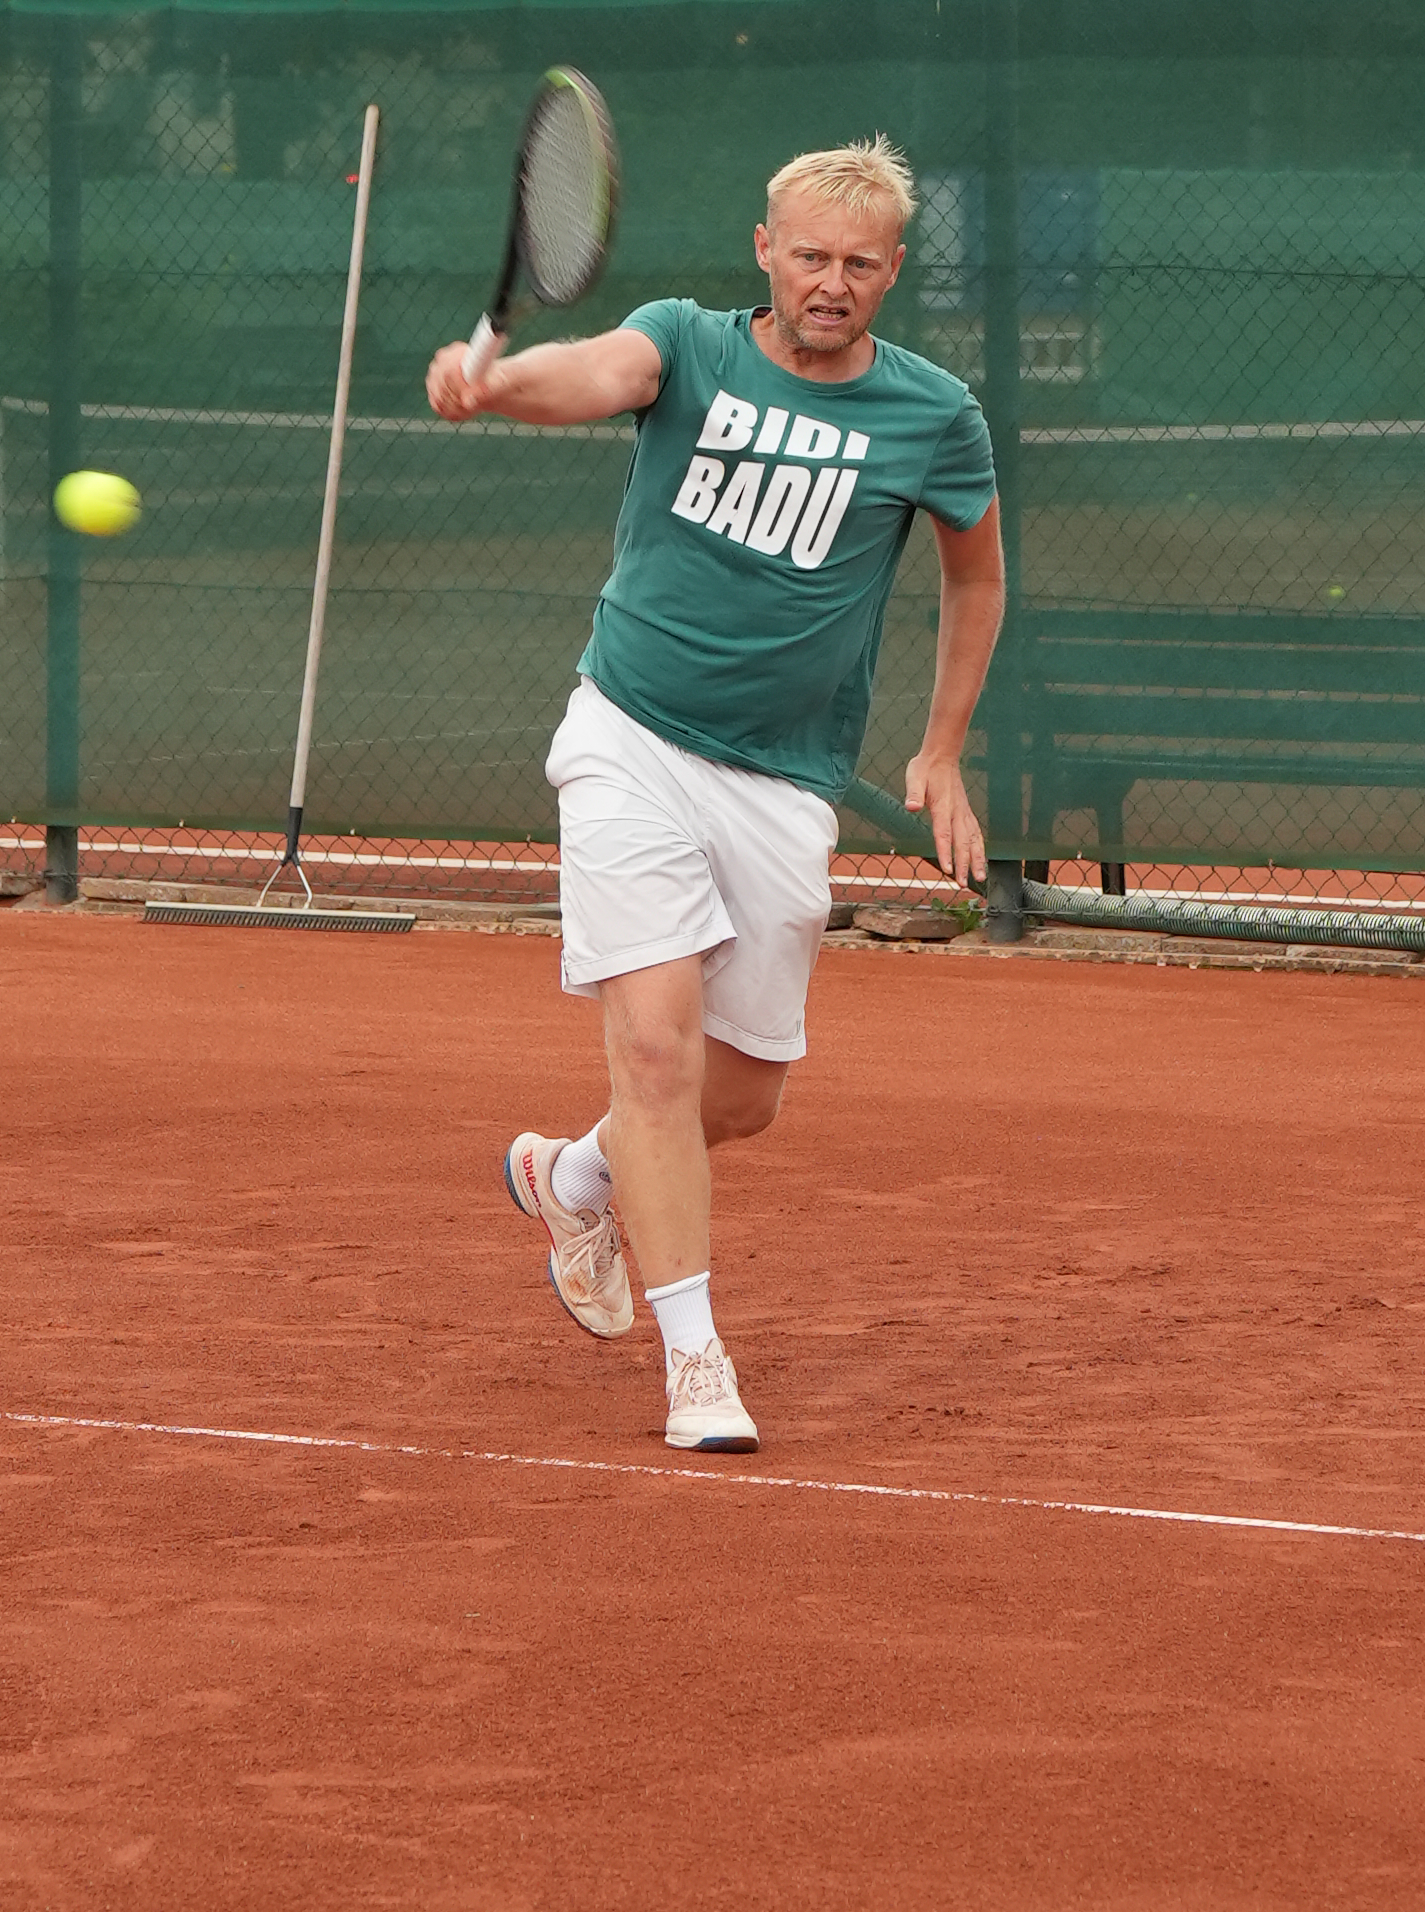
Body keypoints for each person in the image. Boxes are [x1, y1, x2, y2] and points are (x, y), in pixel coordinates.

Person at [424, 136, 1003, 1453]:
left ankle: (572, 1175)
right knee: (652, 1052)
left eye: (859, 264)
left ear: (892, 272)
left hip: (783, 781)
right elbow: (594, 373)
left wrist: (942, 747)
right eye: (809, 257)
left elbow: (976, 575)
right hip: (628, 737)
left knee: (739, 1097)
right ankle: (696, 1365)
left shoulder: (932, 415)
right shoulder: (686, 343)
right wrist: (498, 385)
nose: (831, 283)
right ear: (765, 251)